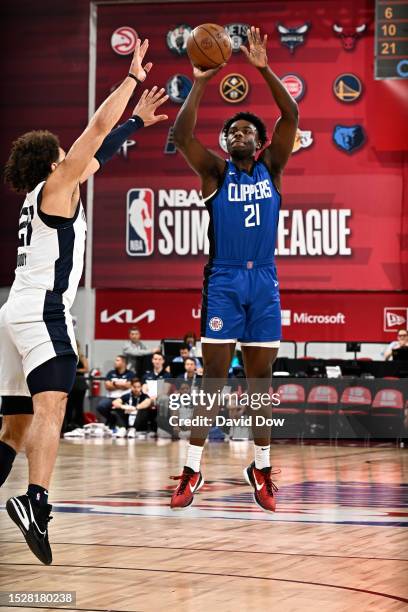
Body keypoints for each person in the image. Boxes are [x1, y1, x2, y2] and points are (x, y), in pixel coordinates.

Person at [0, 38, 168, 564]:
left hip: (14, 312)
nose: (75, 160)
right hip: (43, 312)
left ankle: (25, 492)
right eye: (65, 156)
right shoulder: (57, 184)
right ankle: (36, 502)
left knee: (14, 426)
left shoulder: (40, 195)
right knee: (54, 407)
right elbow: (95, 134)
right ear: (53, 162)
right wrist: (132, 80)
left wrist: (136, 124)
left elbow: (101, 148)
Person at [170, 26, 298, 513]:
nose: (238, 133)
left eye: (247, 130)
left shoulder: (275, 168)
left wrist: (264, 68)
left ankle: (261, 466)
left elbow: (292, 114)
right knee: (214, 383)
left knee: (260, 386)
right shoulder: (214, 174)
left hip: (264, 279)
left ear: (261, 141)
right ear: (224, 143)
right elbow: (181, 135)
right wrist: (201, 80)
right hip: (224, 279)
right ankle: (192, 468)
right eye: (231, 131)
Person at [96, 356, 135, 431]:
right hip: (111, 398)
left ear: (123, 363)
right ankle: (112, 419)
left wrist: (113, 383)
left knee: (127, 408)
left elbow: (128, 385)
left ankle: (125, 426)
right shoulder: (111, 373)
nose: (115, 362)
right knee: (101, 406)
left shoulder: (130, 374)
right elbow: (107, 386)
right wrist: (121, 384)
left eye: (117, 360)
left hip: (124, 399)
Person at [64, 341, 89, 432]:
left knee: (79, 405)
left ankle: (80, 424)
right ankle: (68, 424)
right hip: (70, 382)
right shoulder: (69, 356)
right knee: (69, 405)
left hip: (80, 382)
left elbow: (86, 369)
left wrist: (76, 369)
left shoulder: (81, 357)